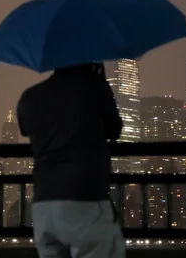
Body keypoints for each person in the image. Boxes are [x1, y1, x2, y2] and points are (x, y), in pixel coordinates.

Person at [17, 62, 125, 258]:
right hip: (84, 197)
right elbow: (114, 129)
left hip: (44, 203)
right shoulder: (93, 88)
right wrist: (99, 81)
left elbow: (26, 128)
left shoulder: (30, 96)